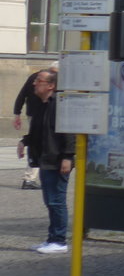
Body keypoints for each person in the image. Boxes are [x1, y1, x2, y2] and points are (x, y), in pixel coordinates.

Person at [17, 70, 74, 254]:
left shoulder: (59, 105)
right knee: (50, 201)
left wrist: (68, 156)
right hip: (45, 159)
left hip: (57, 159)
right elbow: (38, 132)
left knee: (57, 201)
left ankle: (59, 240)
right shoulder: (41, 105)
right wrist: (24, 141)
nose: (34, 84)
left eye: (39, 81)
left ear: (51, 85)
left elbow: (69, 133)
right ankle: (52, 239)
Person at [13, 64, 56, 189]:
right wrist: (17, 113)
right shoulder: (40, 79)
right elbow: (22, 95)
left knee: (39, 142)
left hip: (37, 113)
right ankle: (29, 178)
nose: (35, 84)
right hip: (37, 114)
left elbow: (21, 95)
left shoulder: (39, 78)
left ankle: (31, 177)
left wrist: (17, 113)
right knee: (40, 142)